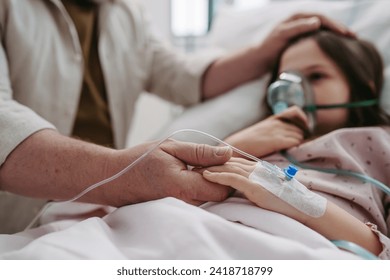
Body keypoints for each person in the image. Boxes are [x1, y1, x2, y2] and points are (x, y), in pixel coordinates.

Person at [0, 0, 353, 209]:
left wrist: (263, 52)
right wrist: (123, 174)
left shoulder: (125, 13)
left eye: (316, 76)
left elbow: (186, 77)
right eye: (285, 77)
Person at [202, 30, 390, 259]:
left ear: (362, 87)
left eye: (316, 76)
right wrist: (233, 146)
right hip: (208, 226)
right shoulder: (255, 138)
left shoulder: (380, 141)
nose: (295, 92)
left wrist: (299, 202)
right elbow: (181, 188)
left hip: (308, 245)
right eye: (285, 80)